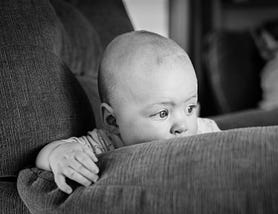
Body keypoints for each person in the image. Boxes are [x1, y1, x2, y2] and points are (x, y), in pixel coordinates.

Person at [35, 30, 221, 194]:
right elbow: (45, 157)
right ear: (113, 121)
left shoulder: (206, 131)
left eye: (189, 108)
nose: (183, 125)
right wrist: (58, 154)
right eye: (163, 113)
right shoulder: (102, 146)